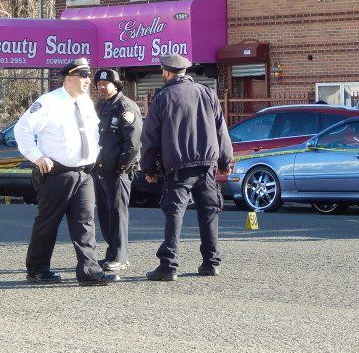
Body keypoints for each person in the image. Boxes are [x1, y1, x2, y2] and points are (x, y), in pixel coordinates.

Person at [13, 57, 118, 286]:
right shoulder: (48, 102)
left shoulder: (86, 102)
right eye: (83, 77)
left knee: (85, 222)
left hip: (84, 173)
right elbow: (22, 130)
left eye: (88, 76)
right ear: (69, 78)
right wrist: (37, 156)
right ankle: (38, 269)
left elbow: (92, 134)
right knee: (48, 223)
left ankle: (89, 271)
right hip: (57, 173)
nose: (88, 81)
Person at [140, 54, 233, 281]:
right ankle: (211, 263)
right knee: (209, 213)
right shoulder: (207, 93)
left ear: (166, 72)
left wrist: (149, 169)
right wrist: (224, 162)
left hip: (178, 166)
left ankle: (168, 265)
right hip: (206, 166)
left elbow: (150, 138)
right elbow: (221, 131)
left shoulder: (162, 97)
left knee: (174, 214)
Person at [93, 68, 142, 272]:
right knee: (105, 215)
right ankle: (112, 253)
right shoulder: (100, 106)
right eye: (99, 85)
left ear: (116, 85)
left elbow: (133, 143)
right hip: (100, 170)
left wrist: (121, 167)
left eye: (106, 84)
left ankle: (120, 257)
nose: (102, 88)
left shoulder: (125, 107)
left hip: (118, 171)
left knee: (118, 214)